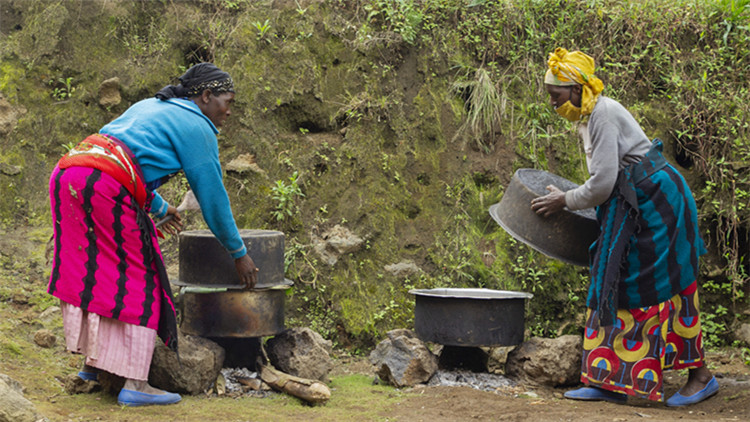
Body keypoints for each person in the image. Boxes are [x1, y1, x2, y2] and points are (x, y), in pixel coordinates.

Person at [48, 63, 258, 407]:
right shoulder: (197, 127)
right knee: (142, 274)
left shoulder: (151, 106)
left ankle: (92, 365)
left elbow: (124, 157)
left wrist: (160, 209)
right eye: (226, 101)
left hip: (68, 175)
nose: (228, 111)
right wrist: (238, 252)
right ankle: (136, 384)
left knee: (96, 270)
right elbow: (213, 200)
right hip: (104, 185)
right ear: (205, 96)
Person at [530, 48, 718, 406]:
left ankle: (701, 376)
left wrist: (564, 200)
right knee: (610, 279)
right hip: (633, 204)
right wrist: (570, 196)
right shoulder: (590, 115)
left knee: (662, 283)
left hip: (658, 204)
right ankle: (607, 379)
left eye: (556, 97)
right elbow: (607, 180)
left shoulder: (602, 115)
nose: (553, 105)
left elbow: (602, 184)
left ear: (576, 89)